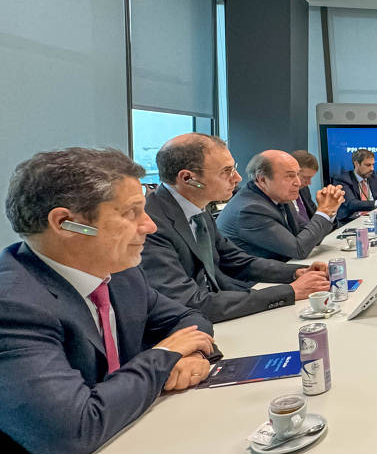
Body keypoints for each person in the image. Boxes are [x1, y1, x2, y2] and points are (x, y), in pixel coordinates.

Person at [0, 148, 218, 453]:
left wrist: (187, 357)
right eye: (131, 213)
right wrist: (164, 357)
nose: (150, 225)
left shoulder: (121, 273)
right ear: (65, 223)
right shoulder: (13, 307)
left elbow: (188, 320)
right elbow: (72, 432)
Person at [140, 134, 330, 323]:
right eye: (226, 171)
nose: (237, 178)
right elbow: (190, 302)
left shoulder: (197, 209)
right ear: (188, 178)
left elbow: (235, 260)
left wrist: (296, 273)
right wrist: (291, 291)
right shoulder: (151, 226)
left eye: (234, 169)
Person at [217, 150, 344, 262]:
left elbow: (311, 238)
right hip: (252, 283)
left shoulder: (281, 198)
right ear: (262, 179)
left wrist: (331, 209)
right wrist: (324, 211)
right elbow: (299, 249)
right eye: (290, 176)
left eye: (297, 175)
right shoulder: (250, 209)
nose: (298, 183)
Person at [291, 149, 321, 226]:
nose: (309, 183)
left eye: (311, 178)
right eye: (305, 177)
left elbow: (314, 216)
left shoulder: (304, 189)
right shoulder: (280, 196)